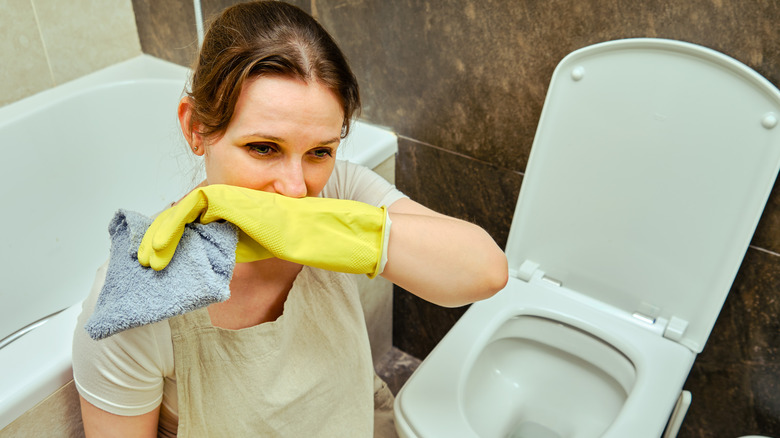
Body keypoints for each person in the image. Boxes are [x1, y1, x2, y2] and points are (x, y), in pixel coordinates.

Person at [73, 1, 508, 437]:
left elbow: (485, 273)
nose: (297, 189)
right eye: (263, 148)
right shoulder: (135, 301)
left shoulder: (337, 189)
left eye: (320, 151)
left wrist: (306, 229)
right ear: (195, 129)